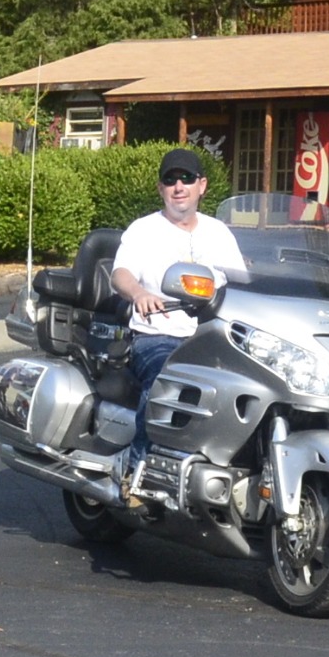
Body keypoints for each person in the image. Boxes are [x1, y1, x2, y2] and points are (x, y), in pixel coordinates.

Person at [108, 146, 249, 488]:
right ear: (160, 189)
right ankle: (138, 471)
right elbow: (120, 274)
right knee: (164, 380)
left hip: (212, 338)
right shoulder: (143, 230)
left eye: (186, 178)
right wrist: (139, 294)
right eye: (170, 180)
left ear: (202, 185)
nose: (178, 186)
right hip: (157, 336)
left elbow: (243, 282)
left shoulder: (218, 232)